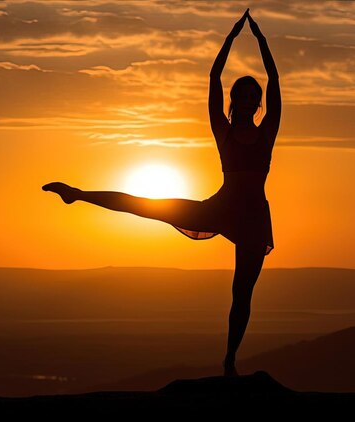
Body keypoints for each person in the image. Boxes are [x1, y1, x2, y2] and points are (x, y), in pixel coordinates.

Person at [42, 8, 281, 377]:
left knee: (242, 295)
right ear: (235, 101)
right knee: (149, 207)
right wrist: (232, 38)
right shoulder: (224, 130)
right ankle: (77, 193)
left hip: (252, 217)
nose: (249, 100)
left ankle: (230, 361)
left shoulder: (267, 132)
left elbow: (276, 80)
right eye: (243, 95)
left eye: (254, 95)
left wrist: (262, 41)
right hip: (221, 207)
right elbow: (214, 76)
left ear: (259, 102)